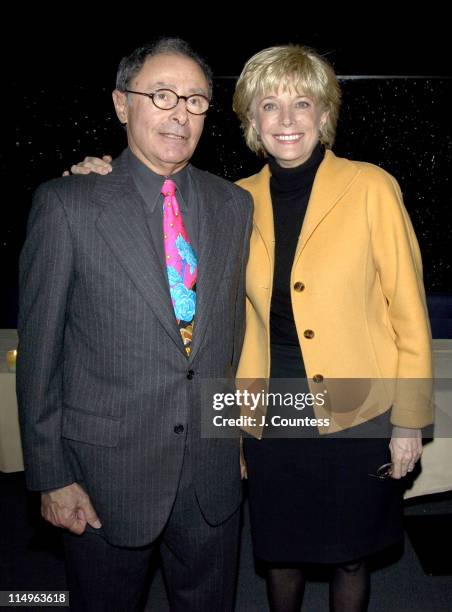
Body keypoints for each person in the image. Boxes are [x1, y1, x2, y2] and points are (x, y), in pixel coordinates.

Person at [69, 44, 433, 612]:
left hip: (360, 407)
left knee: (351, 556)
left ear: (324, 115)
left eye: (302, 104)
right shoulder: (232, 200)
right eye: (270, 105)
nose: (287, 121)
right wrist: (99, 174)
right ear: (251, 120)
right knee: (279, 554)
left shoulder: (372, 188)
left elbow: (409, 314)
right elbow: (156, 225)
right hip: (267, 414)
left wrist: (409, 423)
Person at [17, 37, 252, 612]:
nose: (180, 113)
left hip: (211, 476)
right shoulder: (67, 205)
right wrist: (52, 476)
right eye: (162, 95)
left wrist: (237, 433)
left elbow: (230, 340)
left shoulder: (233, 205)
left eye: (196, 101)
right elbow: (41, 352)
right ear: (122, 104)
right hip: (104, 478)